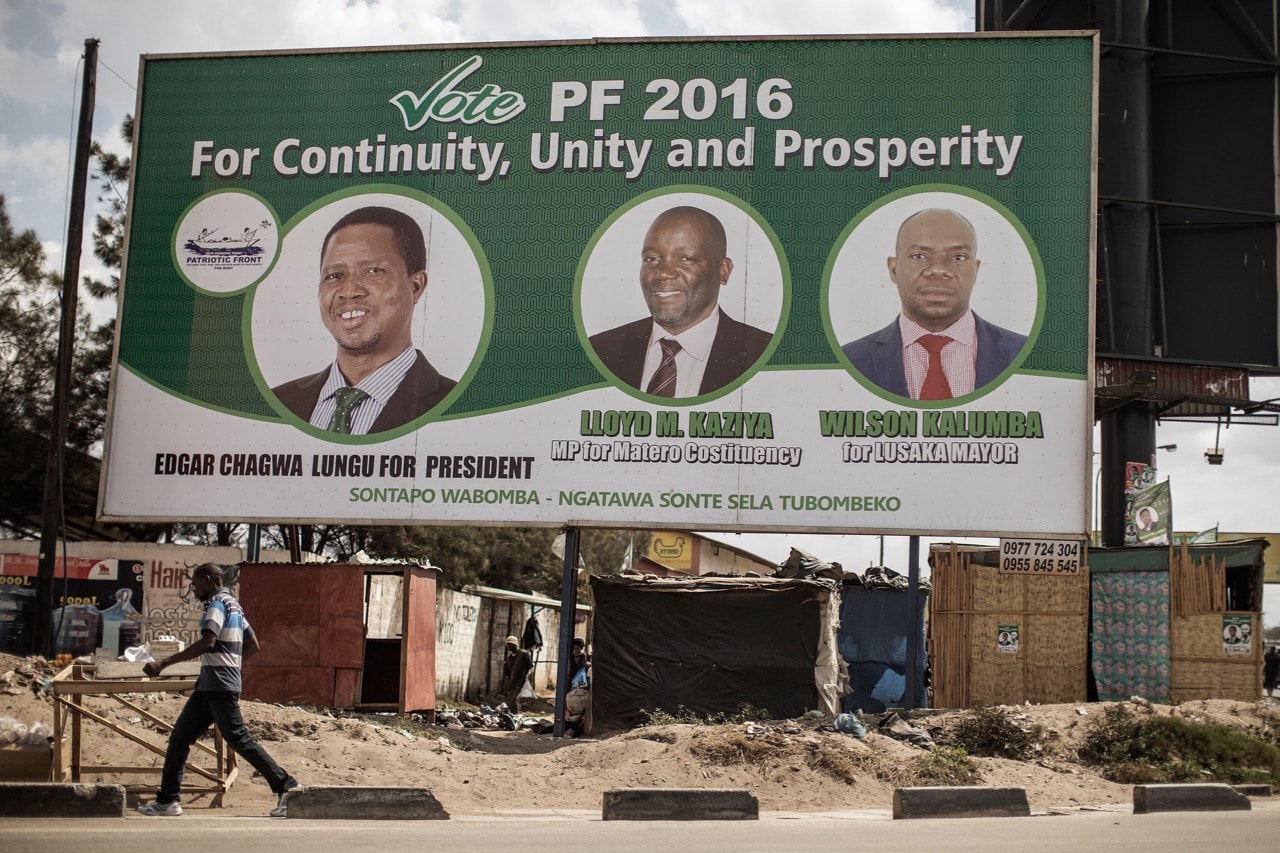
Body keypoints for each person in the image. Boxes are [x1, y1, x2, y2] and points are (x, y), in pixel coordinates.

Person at [272, 205, 456, 434]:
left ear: (416, 286)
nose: (348, 290)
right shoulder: (277, 402)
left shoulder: (456, 406)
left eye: (373, 271)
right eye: (334, 275)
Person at [137, 563, 299, 817]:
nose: (194, 589)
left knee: (239, 739)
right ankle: (168, 800)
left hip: (219, 686)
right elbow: (253, 644)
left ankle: (286, 787)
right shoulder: (234, 605)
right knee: (179, 738)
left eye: (196, 584)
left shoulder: (215, 605)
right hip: (209, 686)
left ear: (208, 580)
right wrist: (232, 664)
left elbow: (208, 641)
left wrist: (164, 663)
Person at [841, 207, 1028, 400]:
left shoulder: (1025, 353)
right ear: (894, 269)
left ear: (975, 270)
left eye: (958, 257)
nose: (938, 270)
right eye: (919, 256)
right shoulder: (849, 361)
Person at [589, 205, 772, 397]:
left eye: (685, 258)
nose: (663, 273)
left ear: (723, 271)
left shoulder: (763, 354)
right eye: (651, 259)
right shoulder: (601, 350)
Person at [500, 634, 533, 712]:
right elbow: (508, 674)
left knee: (514, 700)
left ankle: (515, 716)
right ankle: (515, 717)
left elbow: (530, 667)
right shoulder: (509, 658)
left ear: (515, 644)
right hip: (512, 683)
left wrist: (526, 678)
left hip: (521, 682)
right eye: (507, 645)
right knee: (512, 701)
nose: (509, 646)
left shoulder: (524, 654)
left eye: (510, 644)